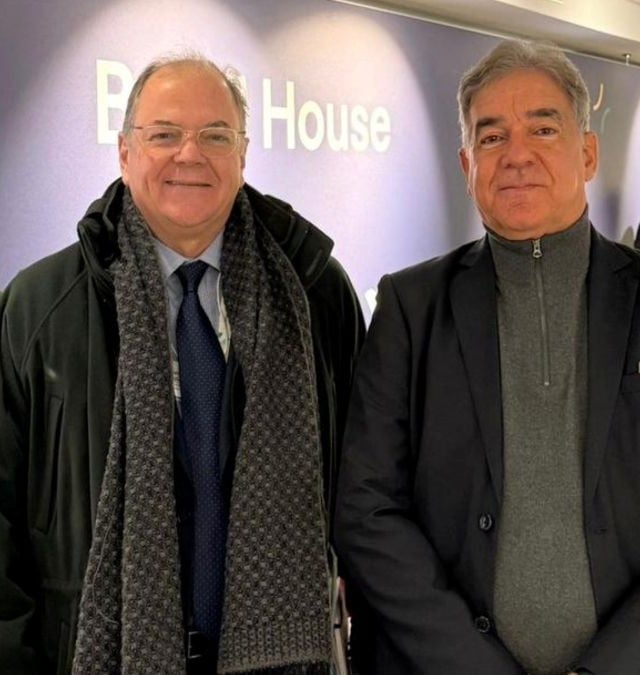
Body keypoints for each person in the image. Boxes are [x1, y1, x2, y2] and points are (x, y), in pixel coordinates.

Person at [0, 53, 364, 674]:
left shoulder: (315, 292)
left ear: (243, 154)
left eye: (215, 136)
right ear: (124, 152)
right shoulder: (38, 307)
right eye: (164, 134)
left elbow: (361, 486)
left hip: (285, 658)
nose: (190, 155)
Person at [334, 38, 640, 675]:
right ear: (466, 163)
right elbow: (366, 508)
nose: (517, 155)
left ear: (588, 153)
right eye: (492, 136)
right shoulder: (410, 306)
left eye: (543, 129)